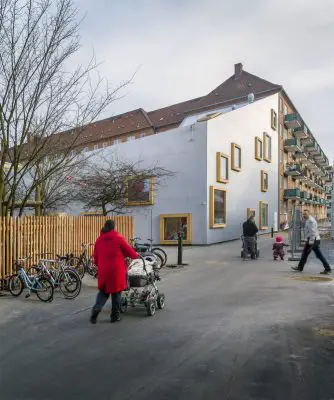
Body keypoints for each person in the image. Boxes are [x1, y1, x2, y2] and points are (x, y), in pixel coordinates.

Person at [90, 219, 138, 324]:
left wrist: (102, 265)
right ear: (114, 227)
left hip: (103, 271)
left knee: (103, 292)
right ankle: (115, 315)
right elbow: (132, 253)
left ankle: (97, 307)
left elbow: (96, 259)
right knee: (116, 293)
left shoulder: (99, 240)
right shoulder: (118, 238)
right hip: (116, 271)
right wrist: (135, 255)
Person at [292, 209, 331, 274]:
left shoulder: (311, 221)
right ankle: (300, 267)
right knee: (306, 254)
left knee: (315, 255)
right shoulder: (308, 220)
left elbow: (312, 232)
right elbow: (309, 232)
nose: (304, 215)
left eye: (305, 214)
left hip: (313, 240)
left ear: (309, 214)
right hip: (312, 240)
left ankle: (328, 268)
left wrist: (310, 242)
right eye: (303, 214)